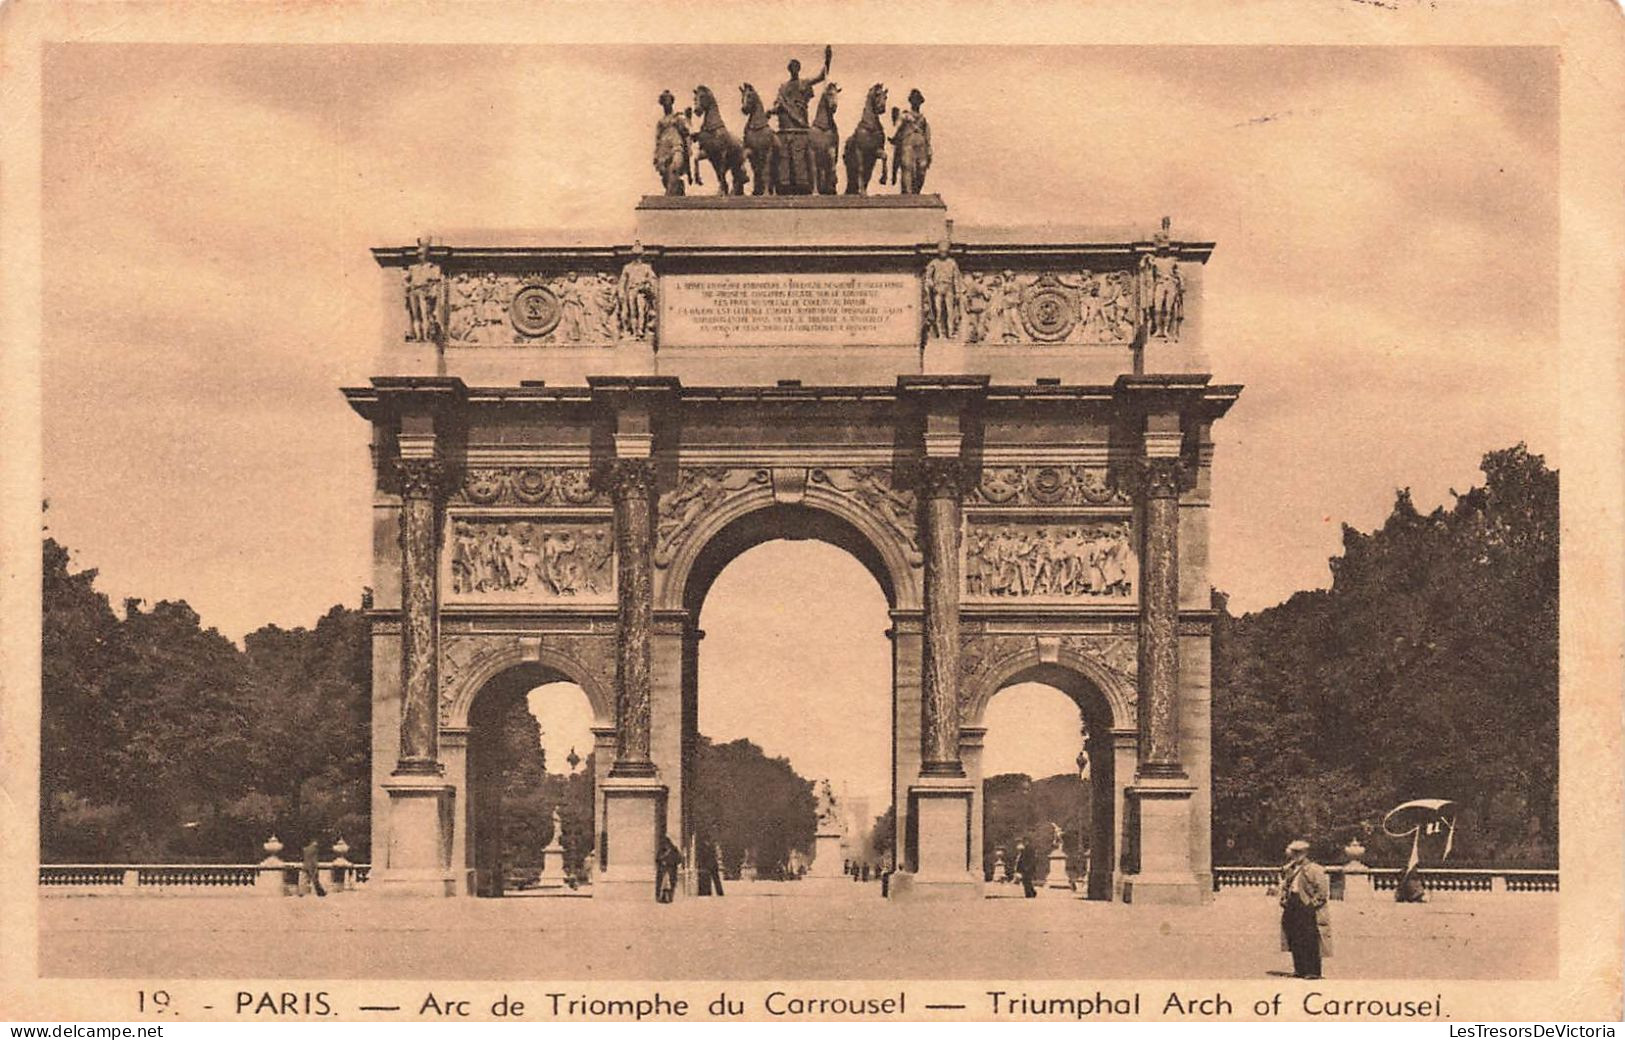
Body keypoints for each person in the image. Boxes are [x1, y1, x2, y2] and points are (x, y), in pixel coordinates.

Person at [1279, 839, 1330, 978]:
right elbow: (1286, 885)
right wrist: (1284, 898)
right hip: (1292, 904)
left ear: (1305, 853)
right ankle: (1300, 969)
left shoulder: (1314, 869)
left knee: (1310, 938)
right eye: (1294, 852)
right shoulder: (1290, 868)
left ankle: (1313, 971)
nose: (1296, 855)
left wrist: (1312, 905)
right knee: (1294, 937)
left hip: (1306, 905)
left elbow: (1322, 891)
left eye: (1299, 852)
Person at [655, 835, 683, 903]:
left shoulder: (674, 850)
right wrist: (662, 861)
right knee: (662, 885)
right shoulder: (661, 851)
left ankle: (669, 898)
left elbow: (679, 859)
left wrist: (671, 863)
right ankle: (661, 897)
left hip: (671, 871)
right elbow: (657, 859)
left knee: (670, 885)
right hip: (663, 871)